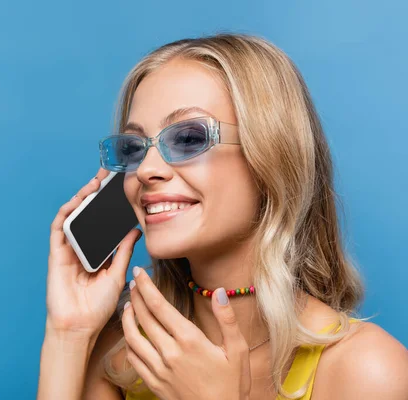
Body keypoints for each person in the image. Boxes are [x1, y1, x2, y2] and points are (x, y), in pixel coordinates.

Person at [37, 34, 408, 400]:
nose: (148, 169)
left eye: (187, 138)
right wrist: (68, 334)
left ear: (271, 155)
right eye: (134, 147)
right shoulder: (123, 355)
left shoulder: (368, 372)